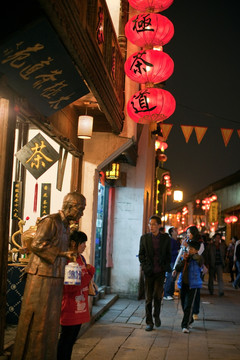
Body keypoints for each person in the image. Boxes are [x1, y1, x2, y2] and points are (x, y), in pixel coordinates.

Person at [11, 192, 86, 360]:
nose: (81, 213)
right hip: (41, 276)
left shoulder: (66, 226)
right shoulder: (52, 221)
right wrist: (62, 253)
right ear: (69, 206)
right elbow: (37, 244)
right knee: (38, 319)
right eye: (80, 209)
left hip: (55, 276)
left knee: (50, 322)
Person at [57, 231, 95, 360]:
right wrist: (90, 274)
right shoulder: (70, 260)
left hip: (80, 307)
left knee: (71, 341)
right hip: (70, 307)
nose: (85, 245)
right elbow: (71, 287)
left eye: (85, 242)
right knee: (66, 341)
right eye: (82, 243)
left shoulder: (81, 258)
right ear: (73, 243)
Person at [138, 215, 171, 331]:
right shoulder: (144, 238)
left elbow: (168, 255)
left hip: (160, 272)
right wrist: (145, 267)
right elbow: (141, 255)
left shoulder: (166, 239)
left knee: (157, 296)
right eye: (149, 224)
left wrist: (165, 266)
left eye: (153, 224)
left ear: (159, 225)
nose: (151, 226)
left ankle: (156, 316)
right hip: (149, 272)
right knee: (148, 298)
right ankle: (149, 321)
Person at [175, 240, 203, 333]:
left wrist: (190, 256)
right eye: (188, 248)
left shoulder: (198, 258)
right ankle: (189, 319)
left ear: (196, 250)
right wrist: (184, 260)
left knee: (188, 305)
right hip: (183, 284)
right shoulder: (185, 257)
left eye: (191, 248)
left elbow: (198, 260)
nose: (189, 250)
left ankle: (185, 325)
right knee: (183, 304)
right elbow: (178, 268)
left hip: (193, 285)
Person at [163, 227, 180, 300]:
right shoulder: (171, 241)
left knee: (173, 278)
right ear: (172, 232)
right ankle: (166, 294)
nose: (177, 231)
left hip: (176, 261)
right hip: (171, 261)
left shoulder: (177, 241)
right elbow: (169, 252)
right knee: (170, 277)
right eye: (175, 230)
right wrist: (177, 251)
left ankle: (171, 293)